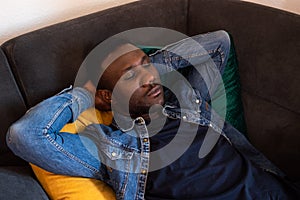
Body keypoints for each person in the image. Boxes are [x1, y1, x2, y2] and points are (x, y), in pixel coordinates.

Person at [7, 30, 300, 200]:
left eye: (146, 64)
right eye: (130, 75)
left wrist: (149, 67)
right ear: (107, 97)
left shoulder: (185, 100)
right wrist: (85, 94)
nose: (149, 76)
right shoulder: (115, 148)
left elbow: (218, 44)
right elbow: (26, 135)